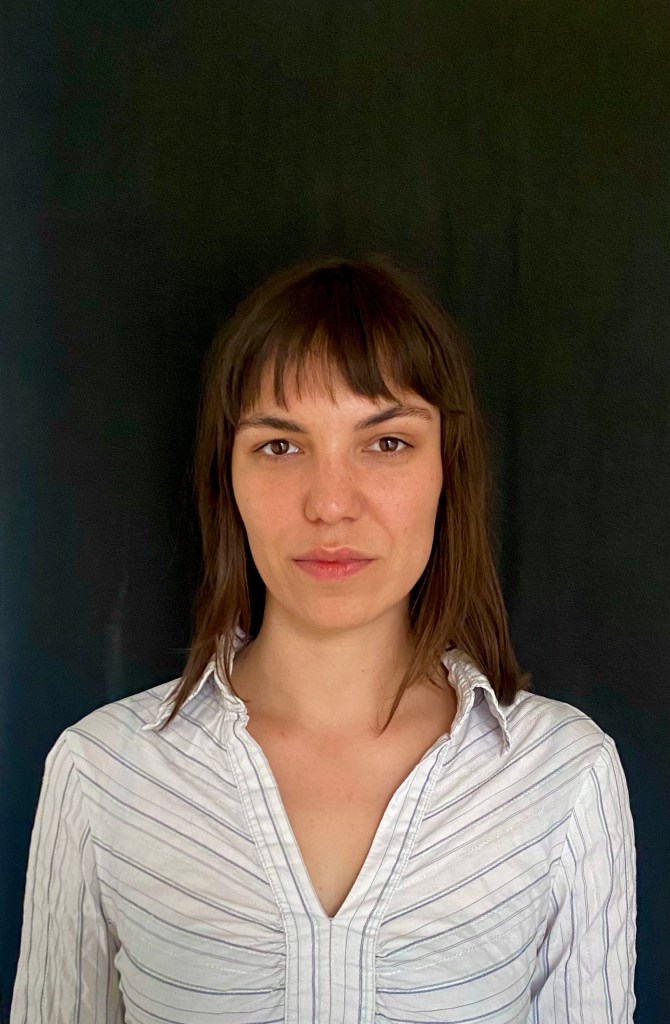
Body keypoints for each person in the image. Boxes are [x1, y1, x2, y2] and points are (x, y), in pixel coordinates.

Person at [10, 255, 636, 1023]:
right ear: (228, 478)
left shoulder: (563, 776)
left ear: (448, 470)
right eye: (280, 446)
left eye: (387, 443)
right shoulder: (103, 773)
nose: (331, 504)